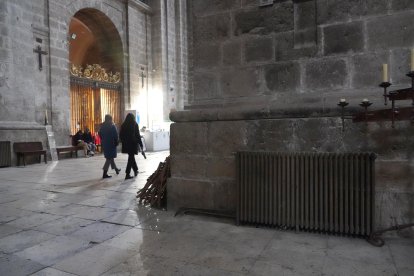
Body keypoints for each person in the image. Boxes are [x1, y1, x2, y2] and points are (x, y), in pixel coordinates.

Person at [119, 113, 143, 180]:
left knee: (131, 157)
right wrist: (141, 144)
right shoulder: (134, 124)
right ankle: (127, 174)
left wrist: (124, 141)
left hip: (126, 144)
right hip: (132, 144)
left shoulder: (123, 125)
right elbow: (138, 135)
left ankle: (135, 170)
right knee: (131, 158)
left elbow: (120, 135)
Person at [98, 114, 121, 179]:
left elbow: (100, 134)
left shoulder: (102, 126)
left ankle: (116, 170)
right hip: (111, 144)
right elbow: (116, 135)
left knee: (110, 158)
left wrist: (104, 140)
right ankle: (104, 173)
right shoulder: (112, 126)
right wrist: (117, 141)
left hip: (105, 144)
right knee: (109, 159)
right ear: (110, 119)